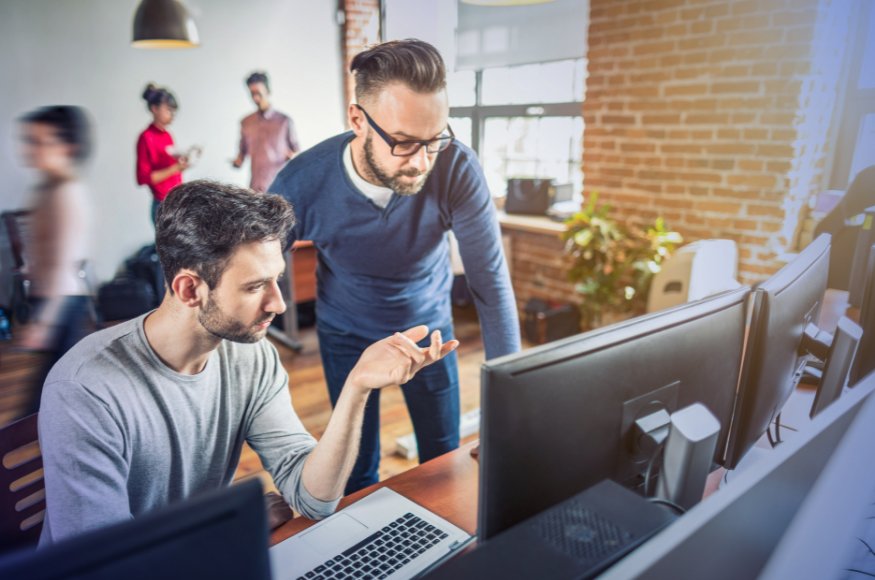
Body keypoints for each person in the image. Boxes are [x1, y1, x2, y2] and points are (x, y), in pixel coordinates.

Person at [37, 179, 457, 545]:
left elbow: (312, 496)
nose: (278, 302)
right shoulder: (86, 389)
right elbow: (105, 565)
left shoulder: (250, 355)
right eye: (256, 286)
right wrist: (228, 529)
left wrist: (357, 386)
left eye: (277, 279)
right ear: (189, 289)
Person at [270, 39, 520, 494]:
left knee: (443, 461)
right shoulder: (300, 182)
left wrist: (509, 409)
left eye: (435, 139)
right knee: (357, 471)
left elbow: (490, 285)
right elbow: (255, 276)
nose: (422, 162)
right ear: (357, 121)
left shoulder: (456, 167)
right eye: (404, 143)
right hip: (346, 333)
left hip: (430, 334)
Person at [17, 106, 94, 417]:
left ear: (68, 147)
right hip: (50, 301)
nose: (31, 150)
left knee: (46, 400)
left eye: (41, 142)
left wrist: (45, 322)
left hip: (64, 305)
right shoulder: (46, 189)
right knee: (53, 396)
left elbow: (64, 265)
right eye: (29, 141)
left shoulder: (66, 193)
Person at [232, 71, 300, 192]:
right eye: (252, 94)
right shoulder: (245, 122)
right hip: (255, 189)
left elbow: (297, 153)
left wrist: (292, 157)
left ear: (268, 91)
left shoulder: (284, 121)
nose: (255, 98)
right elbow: (241, 154)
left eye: (258, 93)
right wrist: (237, 162)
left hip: (281, 187)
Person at [136, 83, 192, 224]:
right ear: (155, 109)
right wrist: (176, 168)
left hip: (177, 201)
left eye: (173, 111)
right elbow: (144, 178)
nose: (172, 115)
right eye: (168, 110)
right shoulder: (146, 138)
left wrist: (180, 163)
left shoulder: (167, 135)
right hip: (162, 204)